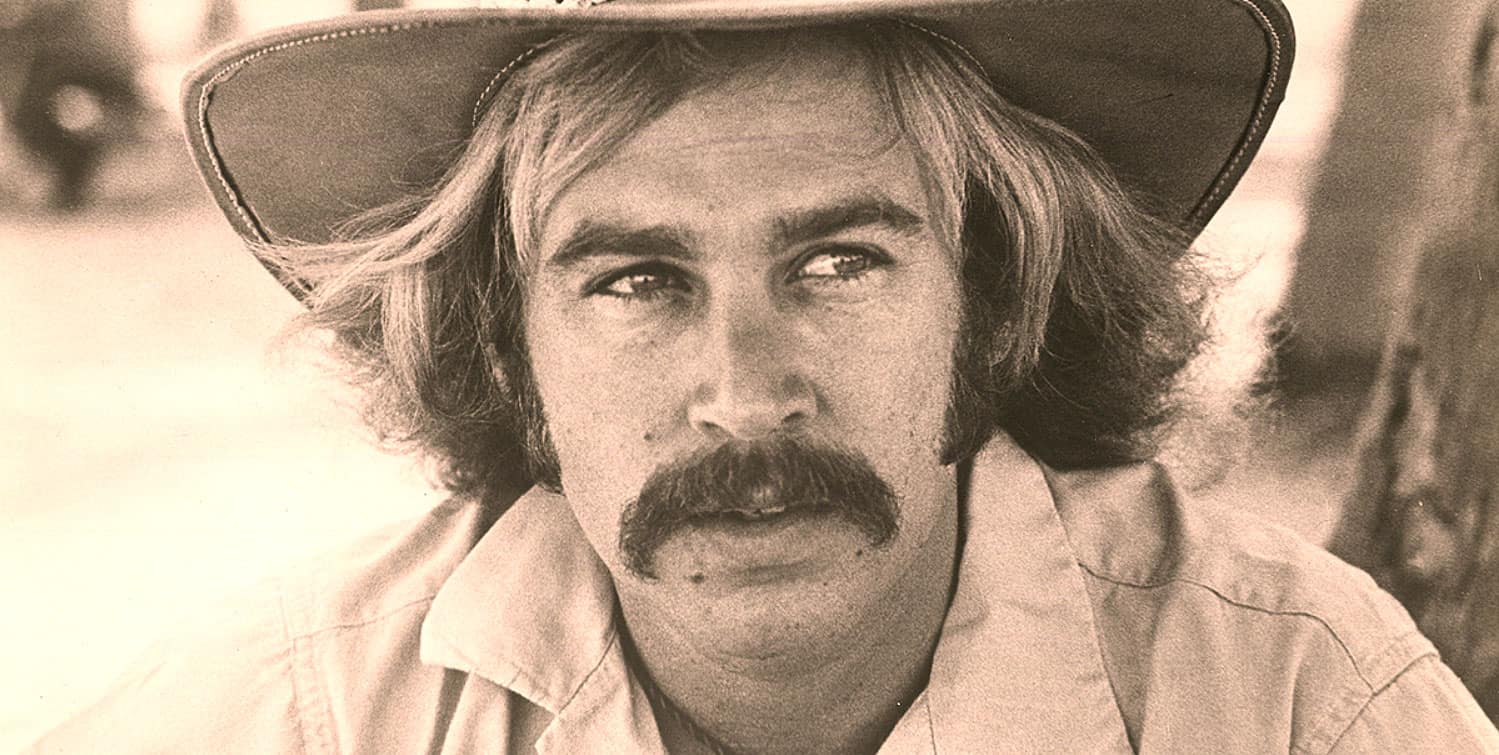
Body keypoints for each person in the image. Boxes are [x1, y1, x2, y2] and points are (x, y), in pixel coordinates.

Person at [30, 0, 1499, 752]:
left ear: (994, 304)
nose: (744, 393)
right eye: (635, 282)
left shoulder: (1294, 702)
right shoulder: (304, 715)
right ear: (508, 349)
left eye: (839, 264)